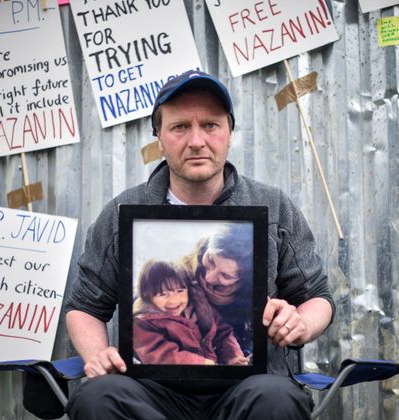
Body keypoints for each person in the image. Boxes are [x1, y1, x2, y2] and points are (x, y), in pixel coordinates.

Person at [65, 70, 335, 419]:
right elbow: (85, 306)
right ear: (159, 138)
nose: (196, 140)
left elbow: (318, 297)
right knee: (97, 396)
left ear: (229, 134)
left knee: (278, 398)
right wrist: (98, 357)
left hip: (249, 388)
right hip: (150, 393)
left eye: (210, 125)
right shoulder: (121, 214)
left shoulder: (274, 207)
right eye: (179, 127)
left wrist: (299, 321)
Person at [132, 259, 247, 366]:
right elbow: (161, 355)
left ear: (188, 288)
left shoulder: (201, 308)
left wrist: (233, 355)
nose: (174, 301)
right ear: (147, 295)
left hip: (212, 371)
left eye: (180, 291)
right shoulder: (144, 323)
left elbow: (223, 332)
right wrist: (202, 363)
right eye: (163, 294)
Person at [181, 223, 255, 355]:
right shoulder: (181, 271)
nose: (209, 278)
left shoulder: (249, 305)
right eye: (211, 260)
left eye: (226, 276)